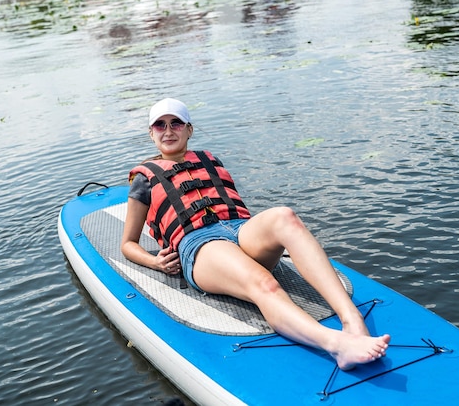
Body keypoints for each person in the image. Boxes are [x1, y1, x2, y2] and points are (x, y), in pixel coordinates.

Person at [121, 98, 390, 370]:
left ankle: (352, 319)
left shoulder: (207, 160)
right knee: (264, 283)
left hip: (238, 229)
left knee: (285, 216)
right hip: (199, 246)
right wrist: (155, 262)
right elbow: (128, 244)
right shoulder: (144, 180)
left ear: (189, 129)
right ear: (151, 132)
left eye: (176, 123)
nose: (168, 130)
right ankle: (336, 345)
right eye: (160, 125)